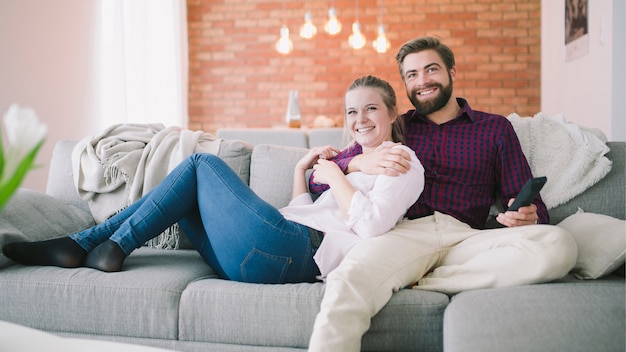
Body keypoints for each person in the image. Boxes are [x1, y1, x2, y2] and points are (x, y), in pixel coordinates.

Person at [2, 75, 424, 285]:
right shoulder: (351, 159)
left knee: (200, 165)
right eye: (352, 112)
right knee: (185, 196)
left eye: (371, 109)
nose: (360, 120)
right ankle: (93, 243)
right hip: (263, 256)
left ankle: (95, 243)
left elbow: (369, 226)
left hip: (296, 253)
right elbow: (306, 212)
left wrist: (335, 175)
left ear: (391, 114)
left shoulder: (402, 159)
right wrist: (305, 171)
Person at [307, 37, 578, 351]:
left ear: (452, 72)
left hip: (465, 239)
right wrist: (356, 161)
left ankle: (423, 278)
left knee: (559, 245)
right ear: (406, 84)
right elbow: (321, 178)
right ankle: (407, 273)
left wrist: (527, 217)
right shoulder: (396, 125)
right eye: (412, 75)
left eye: (431, 69)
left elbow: (531, 205)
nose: (422, 81)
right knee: (347, 282)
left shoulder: (494, 128)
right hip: (401, 234)